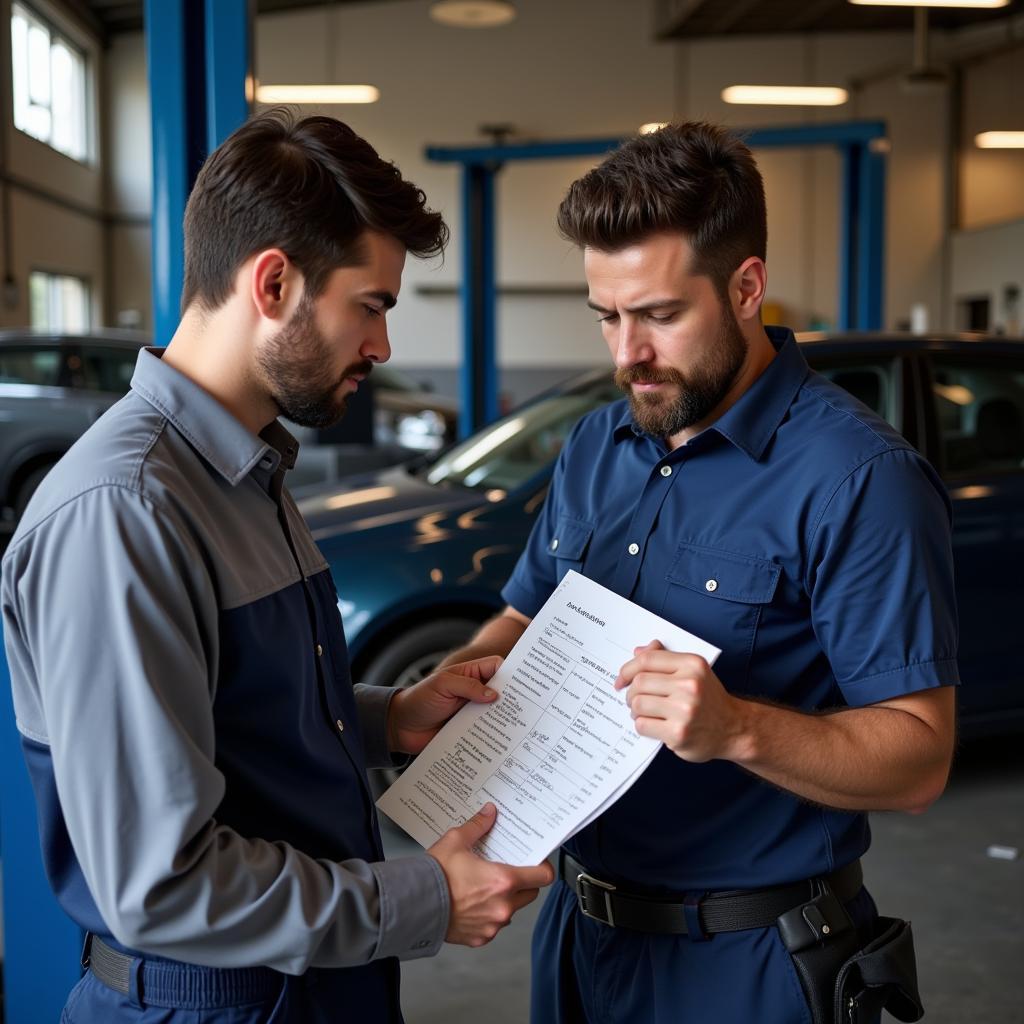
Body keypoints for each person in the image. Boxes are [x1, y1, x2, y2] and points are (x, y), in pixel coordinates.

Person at [1, 110, 552, 1024]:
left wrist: (390, 719)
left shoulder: (245, 467)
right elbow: (161, 884)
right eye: (370, 306)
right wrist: (425, 900)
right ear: (274, 281)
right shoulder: (124, 513)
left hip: (309, 985)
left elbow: (230, 713)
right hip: (209, 1003)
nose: (381, 348)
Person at [440, 122, 957, 1023]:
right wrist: (473, 669)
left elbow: (919, 757)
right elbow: (525, 613)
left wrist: (737, 729)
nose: (625, 353)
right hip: (577, 931)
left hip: (749, 961)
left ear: (746, 286)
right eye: (607, 314)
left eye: (660, 315)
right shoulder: (599, 443)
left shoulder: (858, 479)